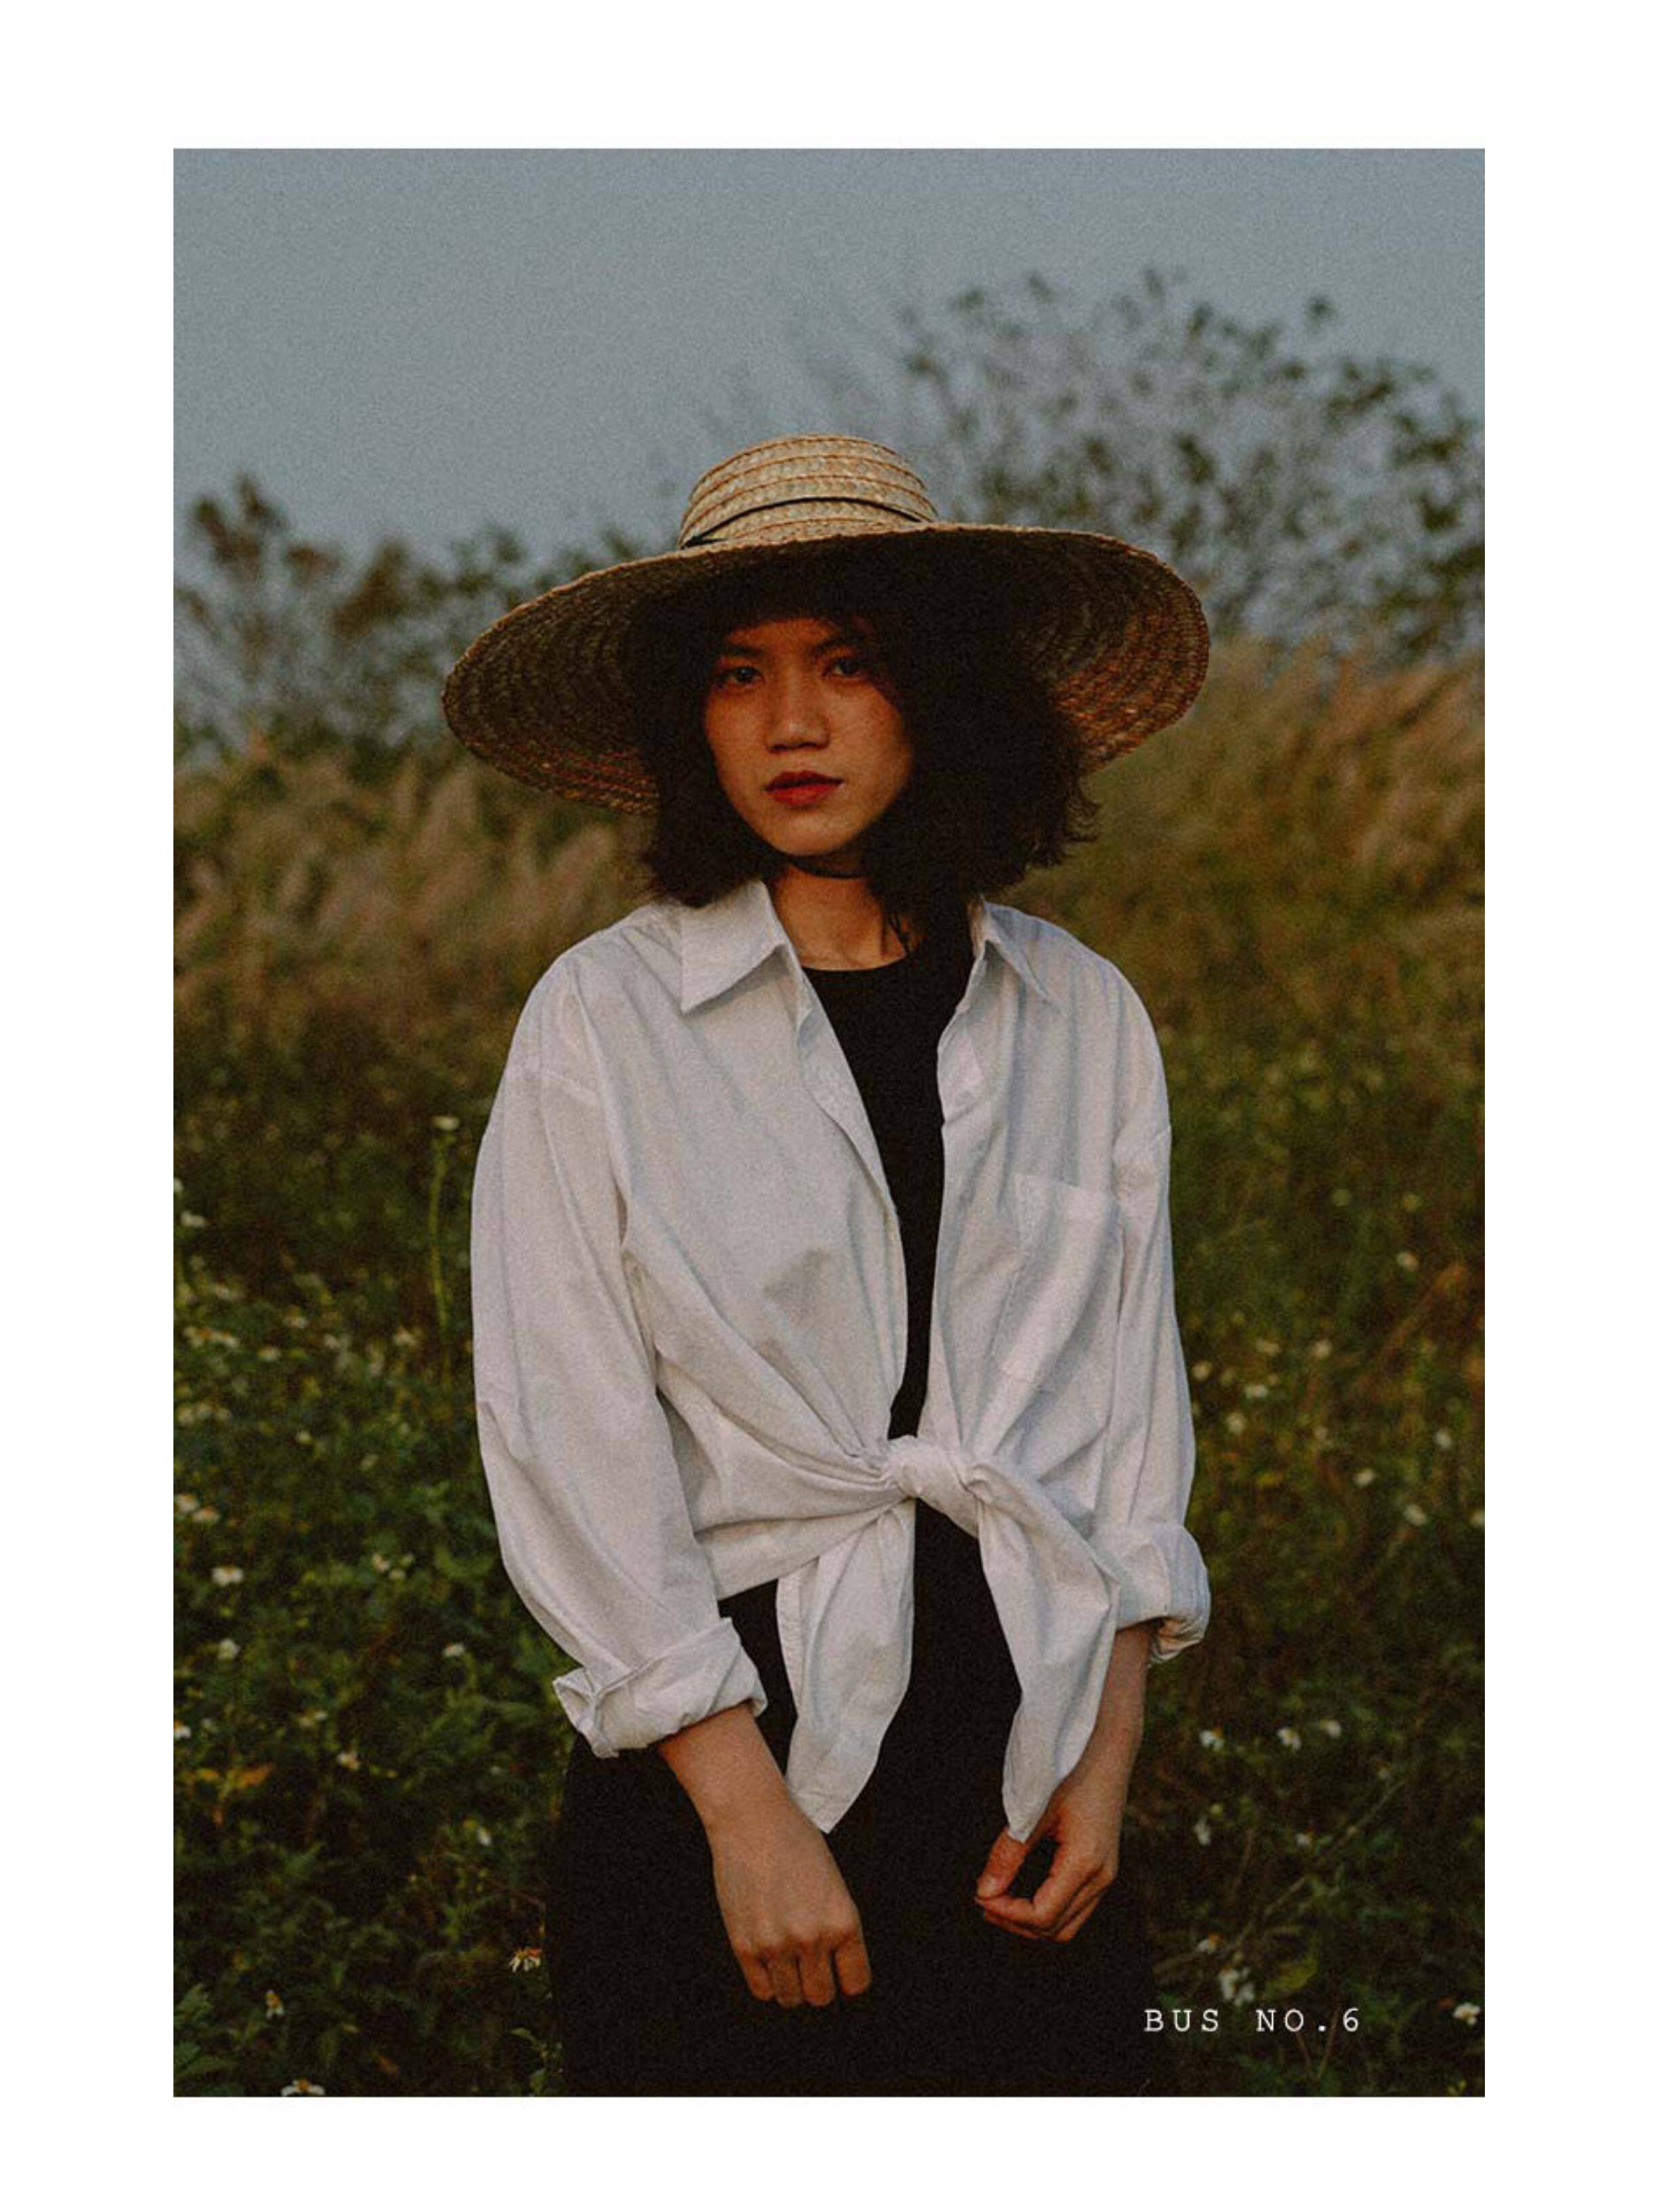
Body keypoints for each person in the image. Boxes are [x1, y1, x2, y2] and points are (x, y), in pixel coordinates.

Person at [443, 434, 1213, 2095]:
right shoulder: (605, 1019)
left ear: (939, 693)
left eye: (847, 664)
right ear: (689, 719)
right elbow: (567, 1428)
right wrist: (745, 1817)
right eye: (739, 675)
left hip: (1026, 1775)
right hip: (721, 1760)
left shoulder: (1079, 1013)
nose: (791, 723)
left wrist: (1103, 1763)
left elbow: (1125, 1425)